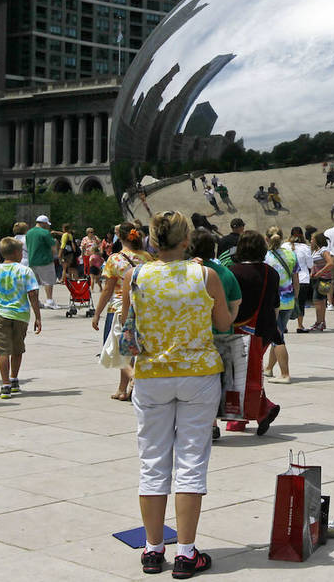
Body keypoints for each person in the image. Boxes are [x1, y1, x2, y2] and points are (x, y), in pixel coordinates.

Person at [126, 211, 230, 578]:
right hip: (198, 374)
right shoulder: (205, 274)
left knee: (152, 461)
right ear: (187, 241)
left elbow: (131, 322)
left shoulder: (136, 274)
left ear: (153, 241)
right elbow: (224, 324)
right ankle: (186, 552)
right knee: (191, 461)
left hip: (152, 374)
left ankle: (153, 550)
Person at [227, 230, 283, 435]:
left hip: (239, 328)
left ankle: (241, 418)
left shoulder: (233, 271)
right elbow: (275, 304)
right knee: (250, 372)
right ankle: (262, 410)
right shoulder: (271, 272)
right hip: (264, 329)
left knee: (240, 376)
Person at [188, 229, 242, 441]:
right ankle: (212, 422)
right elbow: (236, 303)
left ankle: (204, 423)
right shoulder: (225, 273)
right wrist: (228, 319)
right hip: (222, 334)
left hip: (194, 335)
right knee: (216, 381)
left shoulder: (190, 272)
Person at [92, 223, 153, 401]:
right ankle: (122, 389)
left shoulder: (114, 259)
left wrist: (97, 313)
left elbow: (107, 290)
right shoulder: (147, 257)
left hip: (119, 307)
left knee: (116, 348)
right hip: (141, 305)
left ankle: (134, 377)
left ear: (122, 238)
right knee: (130, 347)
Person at [0, 237, 42, 399]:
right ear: (16, 253)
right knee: (17, 348)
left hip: (0, 314)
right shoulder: (25, 271)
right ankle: (14, 379)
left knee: (2, 351)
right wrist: (38, 316)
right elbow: (33, 294)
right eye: (21, 251)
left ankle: (5, 384)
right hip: (20, 315)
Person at [262, 226, 297, 384]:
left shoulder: (266, 257)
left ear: (267, 238)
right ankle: (269, 368)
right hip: (288, 300)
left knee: (278, 338)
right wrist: (295, 296)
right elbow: (296, 279)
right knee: (277, 333)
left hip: (273, 302)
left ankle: (285, 374)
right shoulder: (290, 254)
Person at [26, 215, 59, 309]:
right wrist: (56, 255)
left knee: (34, 283)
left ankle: (36, 301)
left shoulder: (29, 233)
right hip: (45, 260)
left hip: (32, 260)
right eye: (47, 224)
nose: (48, 226)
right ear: (43, 223)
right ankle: (49, 300)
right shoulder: (45, 233)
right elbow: (53, 248)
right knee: (48, 281)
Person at [307, 231, 333, 331]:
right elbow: (315, 264)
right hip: (319, 278)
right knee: (321, 301)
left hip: (324, 279)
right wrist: (312, 273)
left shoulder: (323, 250)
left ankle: (319, 322)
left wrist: (319, 273)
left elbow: (330, 263)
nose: (311, 241)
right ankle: (321, 322)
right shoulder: (316, 251)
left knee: (317, 301)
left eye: (312, 239)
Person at [288, 227, 313, 334]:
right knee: (301, 303)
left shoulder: (284, 246)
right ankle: (300, 325)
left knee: (285, 303)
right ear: (302, 235)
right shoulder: (305, 247)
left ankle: (283, 325)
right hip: (302, 279)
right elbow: (310, 264)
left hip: (287, 279)